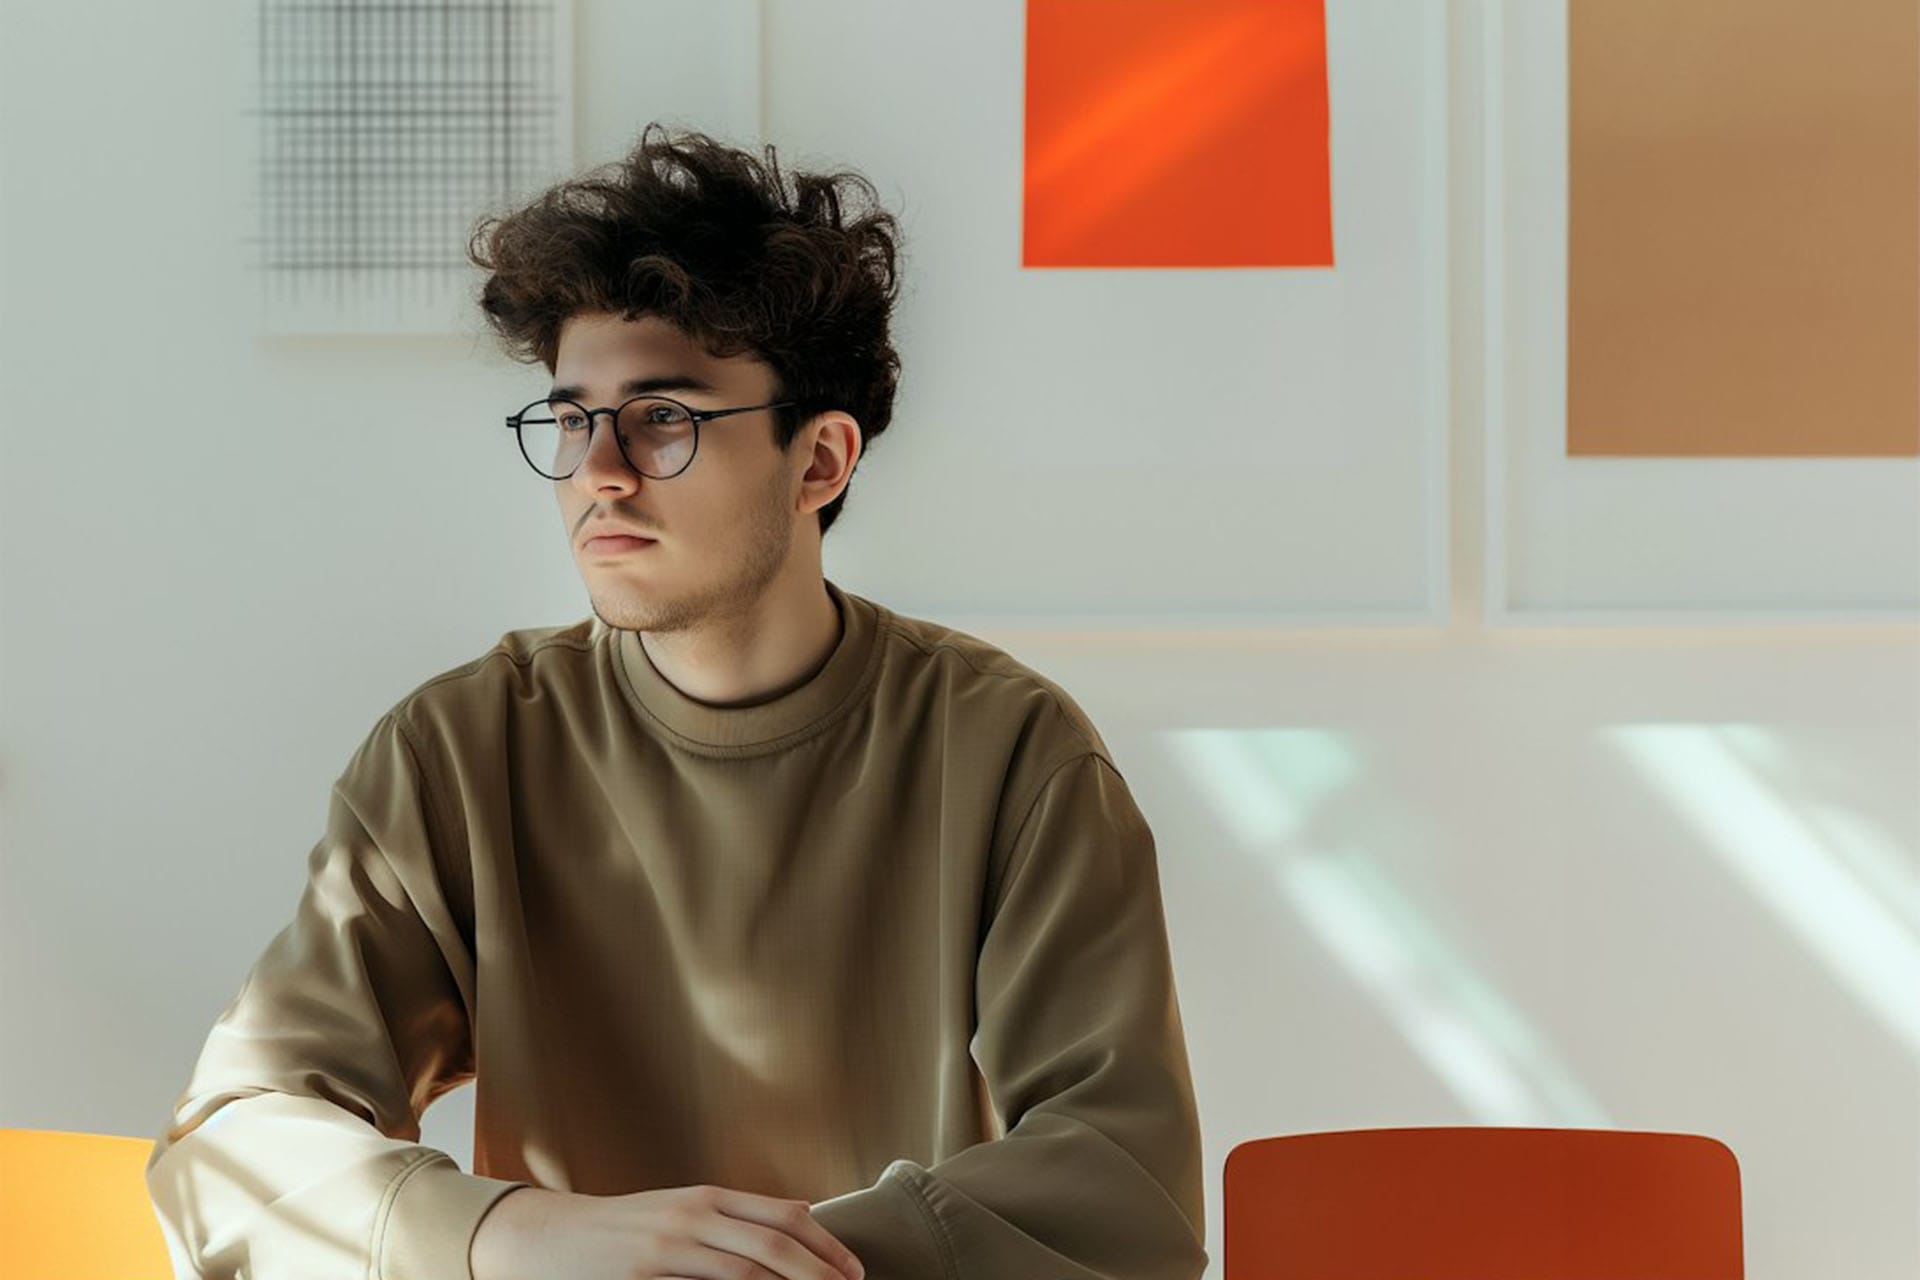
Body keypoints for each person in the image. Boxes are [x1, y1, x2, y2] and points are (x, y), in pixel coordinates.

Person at [144, 121, 1208, 1280]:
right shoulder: (456, 749)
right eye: (571, 418)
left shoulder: (1009, 751)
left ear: (820, 461)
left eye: (665, 417)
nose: (599, 471)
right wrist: (518, 1233)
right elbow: (229, 1144)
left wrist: (752, 1261)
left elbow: (1126, 1188)